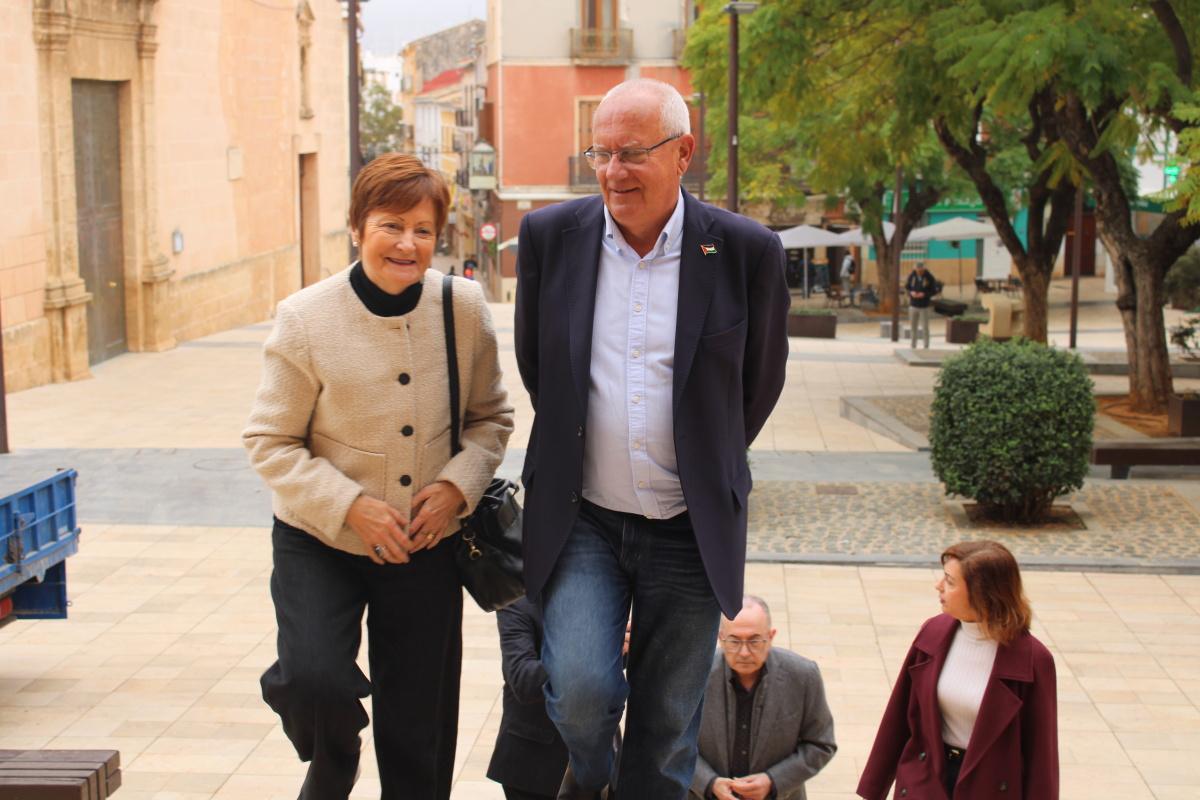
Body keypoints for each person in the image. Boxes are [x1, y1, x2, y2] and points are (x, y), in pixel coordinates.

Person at [514, 78, 790, 800]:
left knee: (668, 727)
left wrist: (704, 458)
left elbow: (759, 384)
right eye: (600, 153)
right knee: (580, 690)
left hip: (689, 527)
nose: (613, 172)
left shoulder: (745, 250)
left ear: (684, 153)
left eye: (632, 153)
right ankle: (595, 782)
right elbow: (539, 368)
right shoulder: (549, 238)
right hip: (583, 517)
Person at [243, 153, 514, 800]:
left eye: (423, 230)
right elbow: (269, 441)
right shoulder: (305, 318)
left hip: (426, 543)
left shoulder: (462, 307)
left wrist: (455, 489)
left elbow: (491, 419)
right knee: (314, 680)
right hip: (320, 540)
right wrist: (350, 506)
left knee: (419, 725)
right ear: (357, 227)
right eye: (391, 225)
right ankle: (334, 760)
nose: (407, 244)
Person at [857, 541, 1058, 800]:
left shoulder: (1033, 660)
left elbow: (1041, 754)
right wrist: (873, 788)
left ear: (982, 593)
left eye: (950, 582)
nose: (938, 585)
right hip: (925, 781)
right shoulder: (933, 633)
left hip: (989, 789)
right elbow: (897, 716)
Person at [692, 596, 836, 800]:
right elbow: (674, 743)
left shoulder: (803, 676)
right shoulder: (695, 677)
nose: (744, 652)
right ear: (720, 638)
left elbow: (821, 744)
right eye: (734, 641)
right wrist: (709, 783)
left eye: (754, 641)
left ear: (770, 636)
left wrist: (773, 781)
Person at [488, 596, 570, 800]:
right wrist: (586, 657)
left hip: (598, 759)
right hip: (533, 766)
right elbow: (523, 679)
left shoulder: (602, 595)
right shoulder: (516, 602)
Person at [905, 261, 938, 349]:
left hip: (924, 306)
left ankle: (926, 345)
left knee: (925, 327)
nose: (919, 271)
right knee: (913, 327)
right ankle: (913, 345)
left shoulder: (929, 277)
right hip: (913, 305)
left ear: (924, 269)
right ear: (915, 269)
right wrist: (911, 292)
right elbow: (907, 287)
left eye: (921, 269)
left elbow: (934, 291)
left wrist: (924, 294)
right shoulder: (912, 276)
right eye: (917, 269)